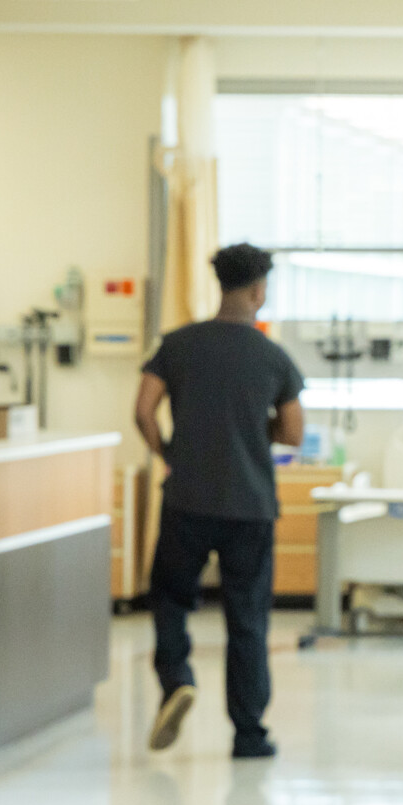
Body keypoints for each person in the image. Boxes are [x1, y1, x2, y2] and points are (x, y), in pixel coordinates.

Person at [134, 243, 305, 760]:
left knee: (169, 597)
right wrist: (257, 430)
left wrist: (168, 452)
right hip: (250, 505)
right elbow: (295, 432)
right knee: (248, 619)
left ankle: (176, 679)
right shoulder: (273, 356)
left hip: (187, 497)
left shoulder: (178, 344)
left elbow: (143, 410)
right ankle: (249, 734)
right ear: (258, 290)